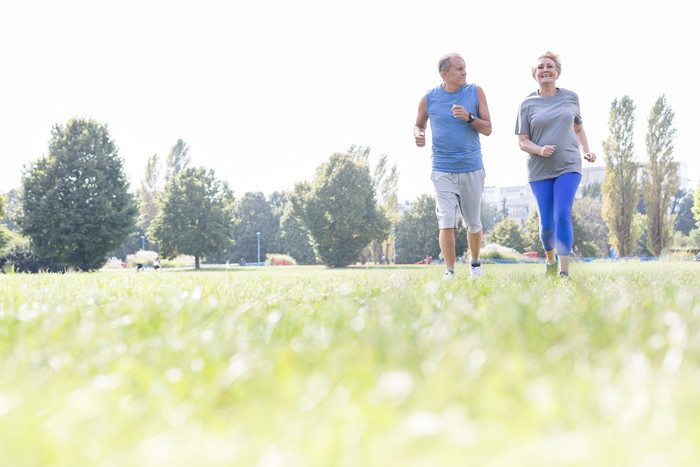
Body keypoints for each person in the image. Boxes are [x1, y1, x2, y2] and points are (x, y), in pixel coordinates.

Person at [515, 51, 596, 278]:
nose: (545, 70)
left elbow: (578, 129)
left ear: (557, 72)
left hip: (568, 164)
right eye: (540, 67)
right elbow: (522, 141)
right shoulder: (527, 104)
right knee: (547, 225)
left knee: (562, 214)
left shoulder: (571, 98)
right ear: (535, 75)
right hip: (540, 169)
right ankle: (550, 260)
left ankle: (564, 272)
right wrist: (540, 150)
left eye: (549, 66)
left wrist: (586, 151)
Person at [414, 53, 492, 280]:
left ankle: (475, 264)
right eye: (459, 69)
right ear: (444, 74)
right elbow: (418, 124)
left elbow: (487, 129)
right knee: (446, 220)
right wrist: (419, 134)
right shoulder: (429, 99)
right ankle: (449, 272)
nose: (464, 72)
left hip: (471, 166)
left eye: (465, 68)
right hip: (442, 168)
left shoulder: (475, 92)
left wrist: (469, 117)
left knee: (473, 222)